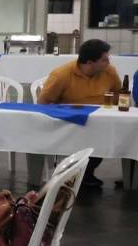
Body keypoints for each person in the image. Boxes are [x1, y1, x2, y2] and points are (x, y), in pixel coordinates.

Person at [38, 38, 121, 187]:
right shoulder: (61, 75)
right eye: (104, 59)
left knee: (108, 136)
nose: (108, 62)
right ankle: (73, 173)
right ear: (90, 63)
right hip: (71, 122)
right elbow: (43, 102)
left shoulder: (110, 71)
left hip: (100, 120)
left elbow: (118, 93)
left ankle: (86, 173)